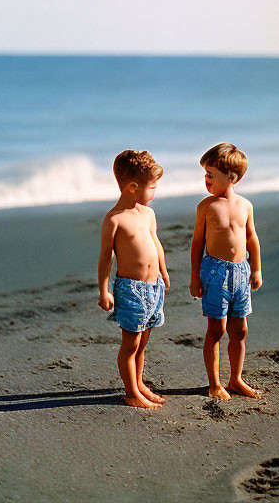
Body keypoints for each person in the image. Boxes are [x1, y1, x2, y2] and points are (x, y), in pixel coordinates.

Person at [98, 150, 171, 409]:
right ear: (132, 186)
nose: (155, 192)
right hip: (131, 289)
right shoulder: (114, 219)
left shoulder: (148, 214)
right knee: (130, 343)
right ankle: (131, 392)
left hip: (154, 288)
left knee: (143, 342)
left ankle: (138, 383)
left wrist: (163, 270)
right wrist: (104, 290)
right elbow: (106, 256)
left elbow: (156, 243)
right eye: (152, 187)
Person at [190, 143, 263, 400]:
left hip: (241, 273)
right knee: (216, 330)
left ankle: (235, 379)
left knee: (240, 330)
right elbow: (197, 243)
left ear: (232, 178)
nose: (206, 180)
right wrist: (195, 277)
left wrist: (256, 269)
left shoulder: (245, 205)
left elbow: (252, 238)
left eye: (211, 175)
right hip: (215, 272)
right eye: (205, 174)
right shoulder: (206, 207)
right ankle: (214, 383)